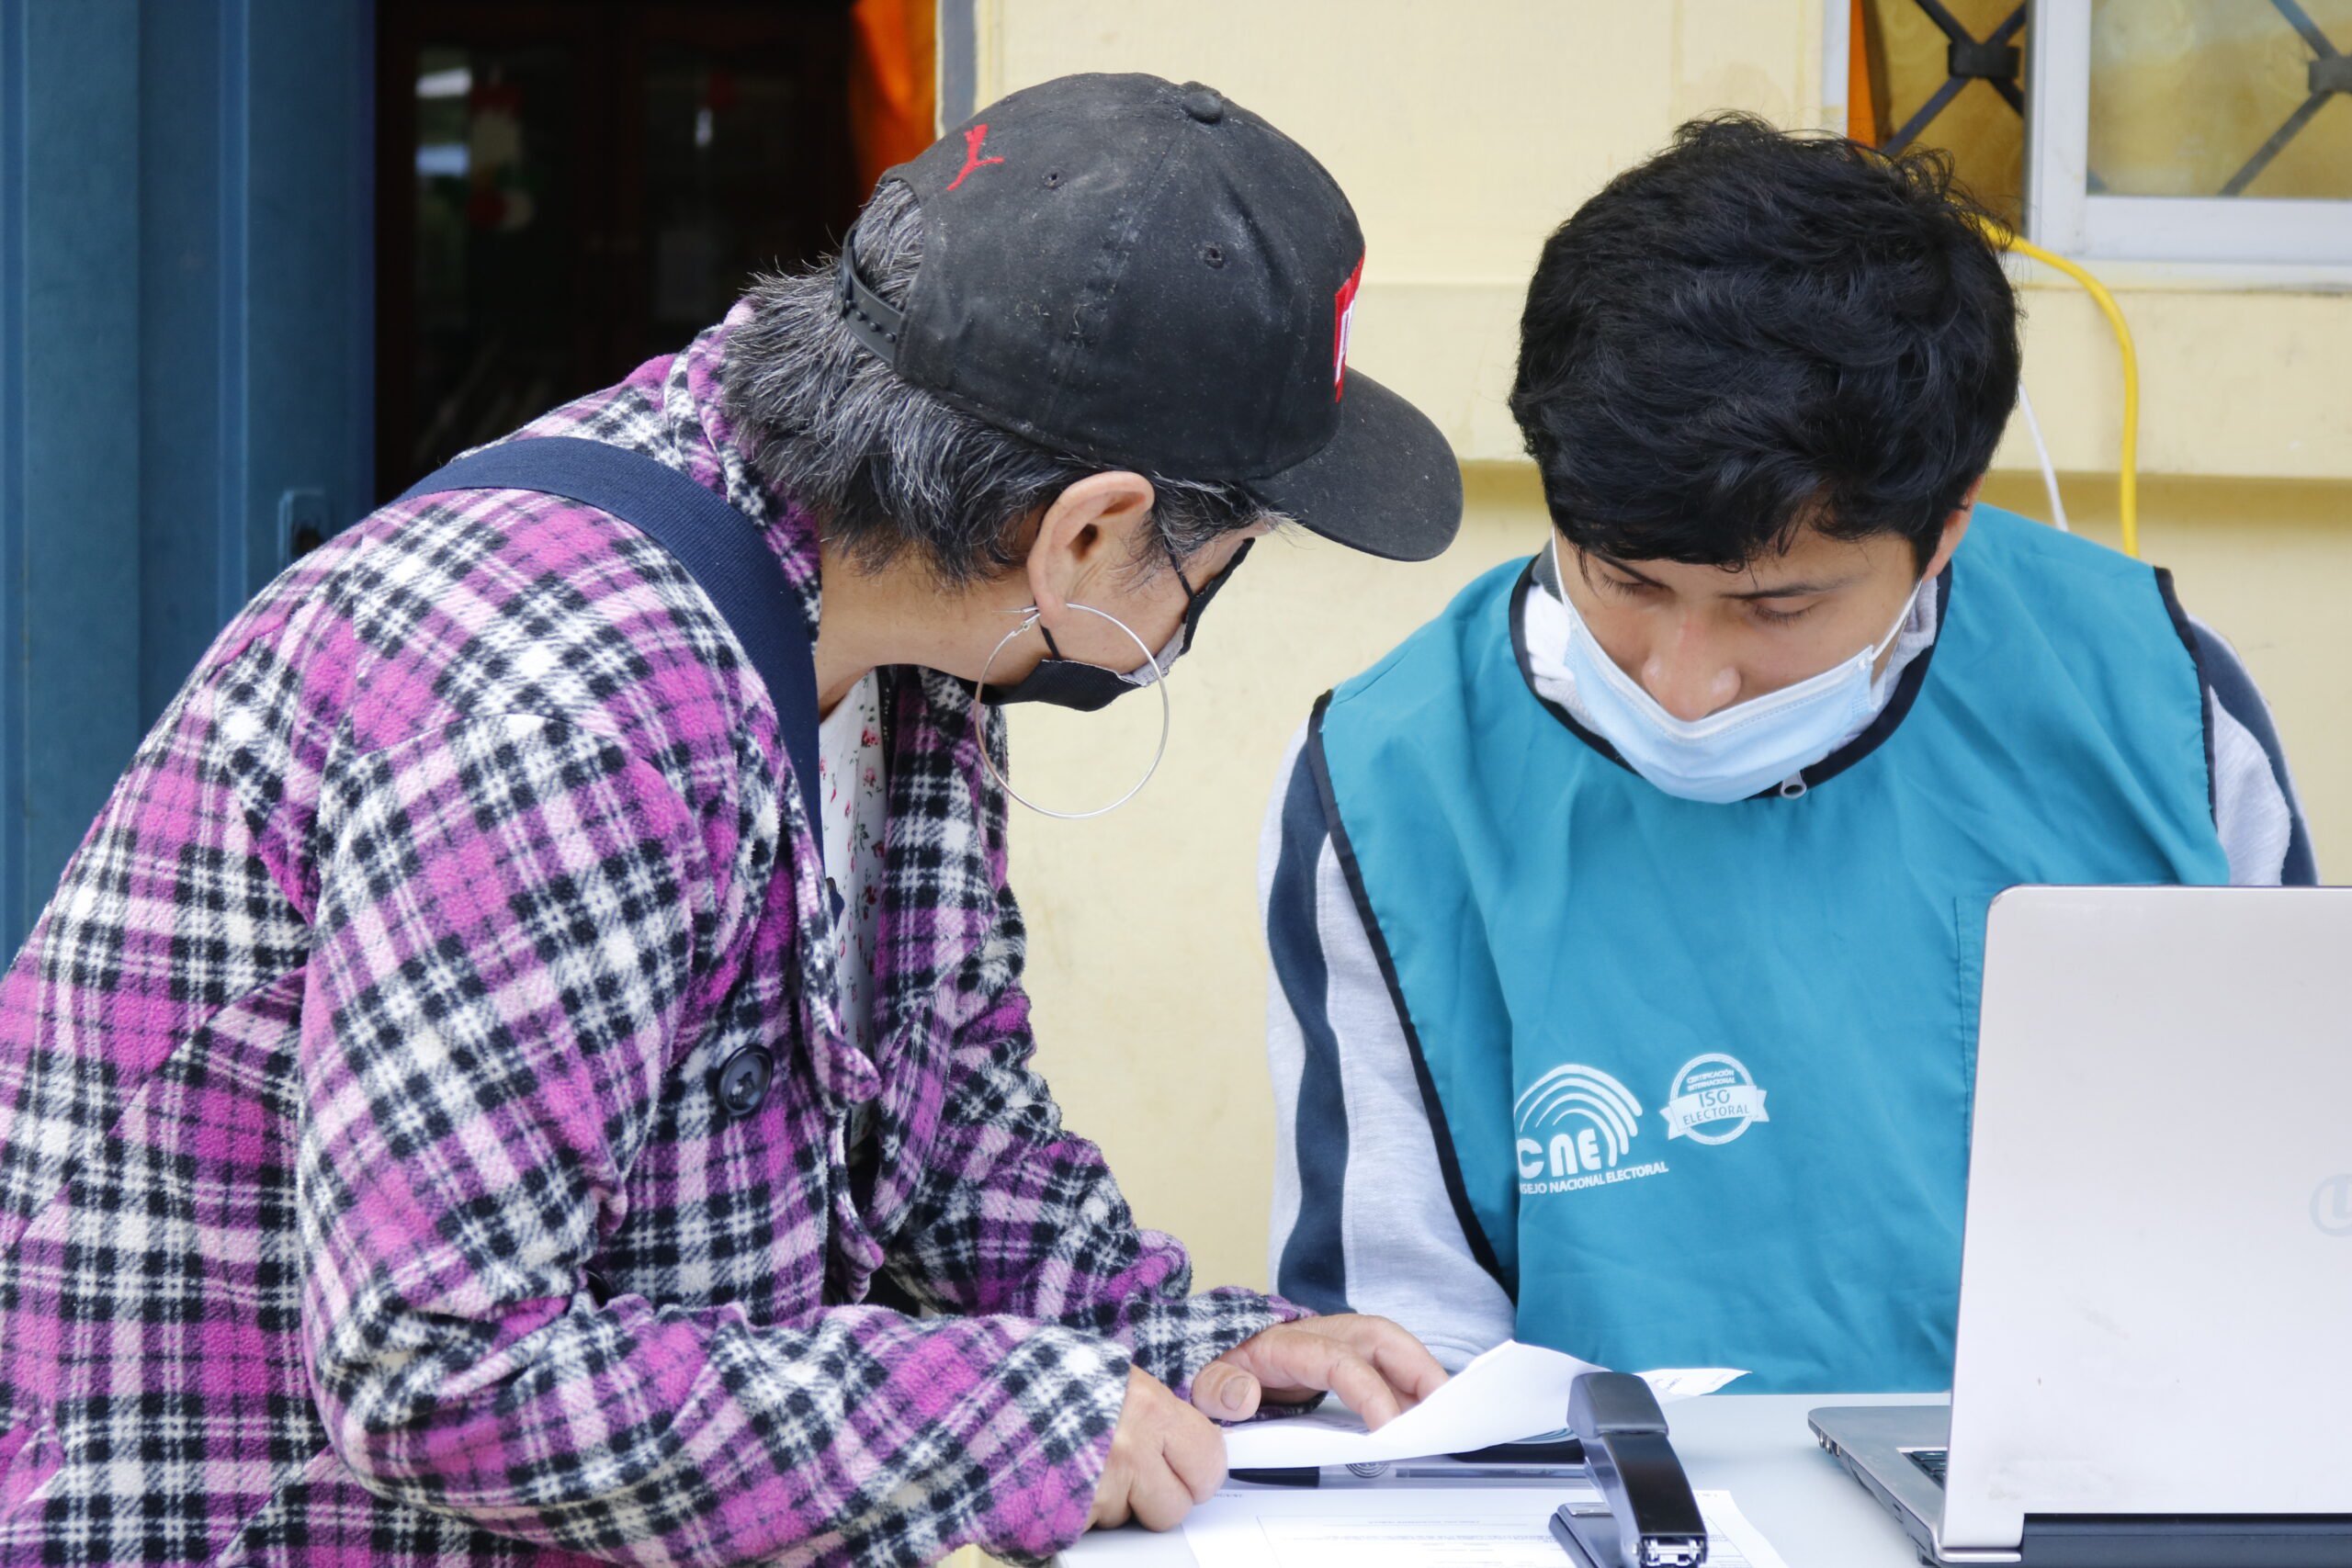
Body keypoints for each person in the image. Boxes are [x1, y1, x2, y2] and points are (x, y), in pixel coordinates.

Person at [0, 74, 1458, 1566]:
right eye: (1233, 554)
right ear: (1086, 531)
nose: (1209, 605)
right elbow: (437, 1365)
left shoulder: (904, 597)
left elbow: (945, 1130)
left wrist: (1190, 1342)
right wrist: (1000, 1422)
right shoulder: (572, 708)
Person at [1261, 116, 2312, 1394]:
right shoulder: (1389, 784)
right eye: (1625, 580)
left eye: (1778, 609)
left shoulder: (2157, 710)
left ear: (1943, 534)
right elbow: (1402, 1364)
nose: (1691, 687)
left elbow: (2286, 1233)